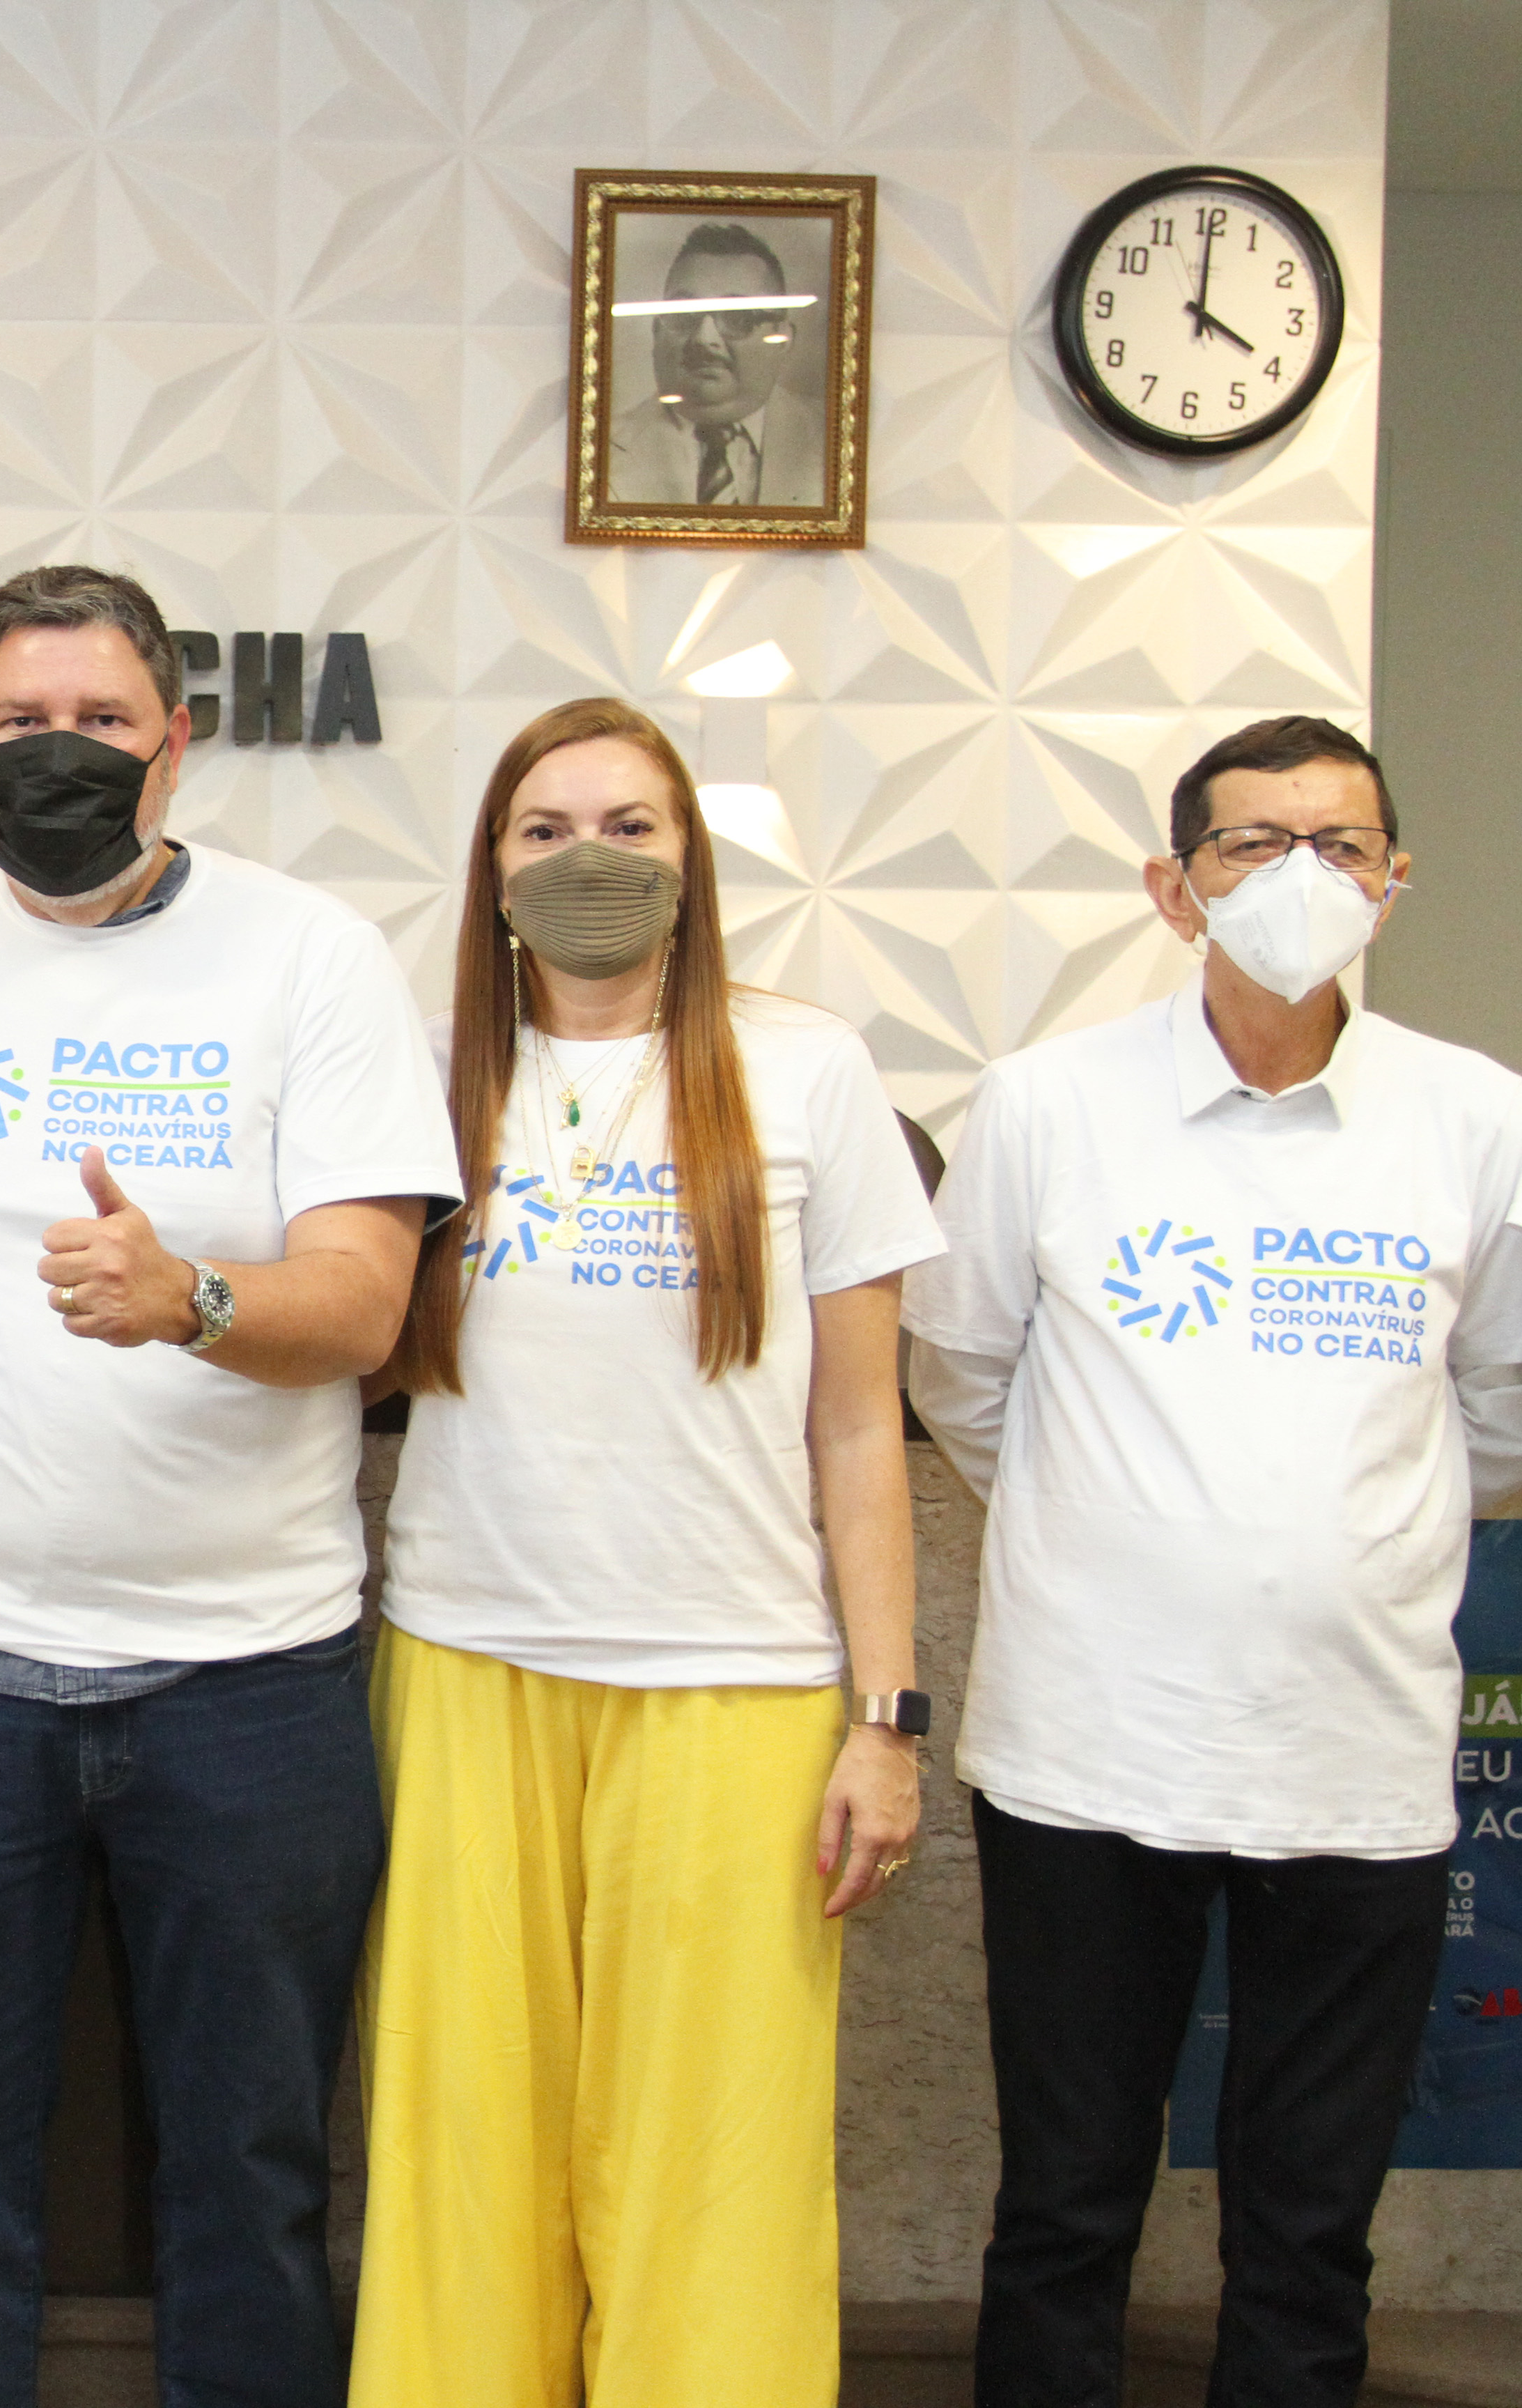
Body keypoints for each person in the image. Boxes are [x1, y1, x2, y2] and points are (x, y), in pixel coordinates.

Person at [0, 565, 457, 2407]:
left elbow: (368, 1308)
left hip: (248, 1693)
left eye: (102, 721)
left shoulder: (312, 957)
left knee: (251, 2178)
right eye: (20, 723)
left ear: (177, 745)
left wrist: (192, 1300)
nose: (57, 752)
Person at [906, 715, 1522, 2408]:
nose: (1297, 875)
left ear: (1393, 880)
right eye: (1252, 842)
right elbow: (960, 1371)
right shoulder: (1046, 1103)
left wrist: (1342, 1534)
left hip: (1356, 1749)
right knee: (1065, 2202)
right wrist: (1121, 1526)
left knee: (1310, 2226)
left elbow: (1500, 1409)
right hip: (1087, 1747)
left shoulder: (1477, 1117)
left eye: (1339, 843)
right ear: (1174, 890)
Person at [350, 698, 942, 2408]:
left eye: (630, 824)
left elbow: (859, 1429)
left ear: (691, 859)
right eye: (544, 829)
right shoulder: (417, 1074)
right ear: (491, 868)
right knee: (462, 2154)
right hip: (467, 1663)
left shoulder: (807, 1067)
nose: (586, 858)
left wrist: (886, 1720)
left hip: (733, 1684)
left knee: (711, 2173)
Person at [606, 220, 828, 507]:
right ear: (657, 332)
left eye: (737, 318)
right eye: (682, 315)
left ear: (783, 339)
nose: (704, 339)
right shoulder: (599, 449)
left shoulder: (835, 441)